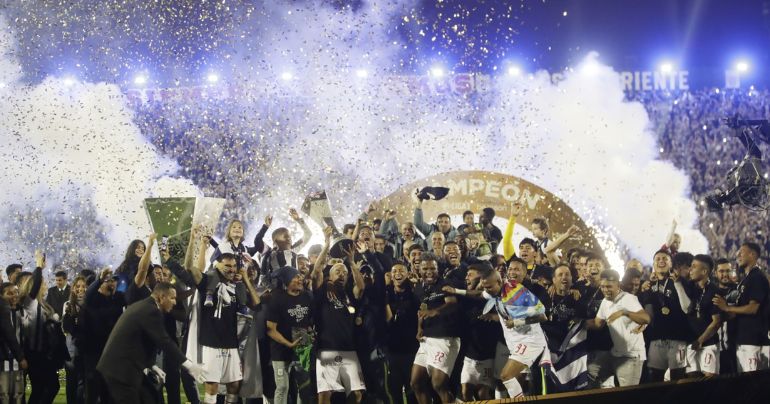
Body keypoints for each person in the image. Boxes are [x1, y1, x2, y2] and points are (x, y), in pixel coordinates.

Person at [167, 237, 261, 404]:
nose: (231, 269)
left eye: (233, 266)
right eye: (227, 266)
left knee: (234, 384)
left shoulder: (236, 287)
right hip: (211, 342)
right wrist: (201, 245)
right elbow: (192, 269)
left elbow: (256, 304)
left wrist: (245, 278)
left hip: (231, 342)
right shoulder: (207, 282)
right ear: (217, 265)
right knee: (212, 386)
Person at [96, 282, 205, 404]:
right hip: (120, 373)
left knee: (150, 397)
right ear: (161, 297)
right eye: (172, 298)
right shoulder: (150, 310)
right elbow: (164, 341)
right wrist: (189, 366)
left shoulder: (145, 307)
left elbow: (143, 340)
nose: (175, 302)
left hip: (119, 369)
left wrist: (151, 365)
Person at [310, 227, 367, 404]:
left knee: (357, 394)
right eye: (337, 271)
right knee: (325, 395)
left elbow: (362, 287)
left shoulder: (349, 294)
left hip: (348, 348)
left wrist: (351, 262)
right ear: (330, 274)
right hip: (327, 349)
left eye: (344, 272)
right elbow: (316, 271)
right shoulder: (323, 290)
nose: (341, 274)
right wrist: (327, 244)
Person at [712, 242, 770, 372]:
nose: (737, 255)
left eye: (741, 252)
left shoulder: (756, 277)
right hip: (745, 340)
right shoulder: (747, 279)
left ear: (752, 254)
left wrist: (727, 308)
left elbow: (753, 308)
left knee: (754, 385)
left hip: (754, 341)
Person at [587, 270, 650, 386]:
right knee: (590, 372)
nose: (605, 290)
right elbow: (597, 324)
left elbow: (646, 318)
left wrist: (624, 312)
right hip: (614, 353)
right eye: (602, 286)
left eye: (609, 286)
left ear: (618, 285)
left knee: (627, 397)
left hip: (631, 356)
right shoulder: (605, 301)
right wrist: (578, 324)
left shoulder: (628, 299)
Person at [639, 249, 692, 382]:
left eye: (665, 259)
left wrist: (678, 284)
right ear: (653, 264)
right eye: (658, 259)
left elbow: (688, 308)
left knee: (678, 379)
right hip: (656, 339)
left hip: (678, 338)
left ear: (671, 264)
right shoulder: (648, 285)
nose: (661, 261)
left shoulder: (680, 281)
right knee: (655, 379)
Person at [266, 266, 314, 404]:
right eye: (296, 277)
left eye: (300, 276)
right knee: (282, 386)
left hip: (302, 347)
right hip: (280, 349)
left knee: (303, 386)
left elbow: (309, 322)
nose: (300, 279)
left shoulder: (307, 296)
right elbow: (270, 329)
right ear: (287, 281)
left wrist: (310, 333)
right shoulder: (277, 298)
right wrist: (288, 344)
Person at [81, 268, 126, 404]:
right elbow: (88, 295)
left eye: (114, 281)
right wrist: (100, 279)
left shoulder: (118, 298)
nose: (112, 283)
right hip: (94, 352)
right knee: (93, 391)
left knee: (110, 392)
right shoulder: (93, 299)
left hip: (112, 352)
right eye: (109, 281)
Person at [385, 262, 419, 404]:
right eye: (395, 271)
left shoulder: (414, 293)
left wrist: (416, 286)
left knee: (412, 387)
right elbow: (387, 320)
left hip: (411, 348)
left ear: (407, 274)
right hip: (391, 349)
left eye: (401, 271)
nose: (398, 273)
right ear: (390, 275)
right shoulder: (385, 293)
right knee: (394, 389)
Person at [684, 255, 722, 377]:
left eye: (694, 266)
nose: (690, 269)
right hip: (691, 343)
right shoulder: (688, 287)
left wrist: (700, 341)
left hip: (709, 344)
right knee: (692, 381)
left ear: (704, 271)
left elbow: (716, 322)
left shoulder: (714, 291)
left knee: (710, 384)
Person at [62, 275, 87, 404]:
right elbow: (66, 327)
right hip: (71, 349)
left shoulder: (90, 304)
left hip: (86, 349)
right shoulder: (67, 304)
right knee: (71, 382)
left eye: (83, 286)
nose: (81, 289)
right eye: (78, 286)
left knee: (83, 382)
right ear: (73, 288)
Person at [0, 282, 27, 404]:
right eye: (9, 293)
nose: (14, 296)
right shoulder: (3, 310)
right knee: (4, 394)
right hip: (5, 359)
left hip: (17, 359)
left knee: (18, 394)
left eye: (16, 292)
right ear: (2, 296)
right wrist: (21, 357)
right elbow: (9, 335)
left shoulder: (21, 311)